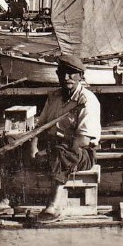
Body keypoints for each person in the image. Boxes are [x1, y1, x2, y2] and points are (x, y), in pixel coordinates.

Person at [31, 54, 101, 222]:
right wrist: (33, 148)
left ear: (81, 77)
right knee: (12, 145)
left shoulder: (87, 101)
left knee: (61, 152)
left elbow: (83, 140)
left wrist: (49, 151)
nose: (65, 77)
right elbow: (40, 128)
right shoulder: (53, 97)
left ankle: (54, 206)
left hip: (82, 152)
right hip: (53, 146)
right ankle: (6, 197)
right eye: (62, 73)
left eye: (71, 73)